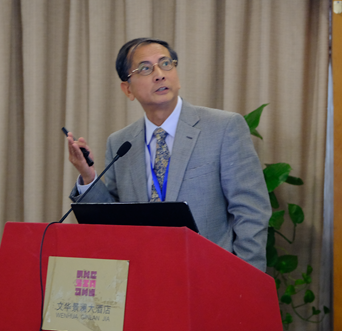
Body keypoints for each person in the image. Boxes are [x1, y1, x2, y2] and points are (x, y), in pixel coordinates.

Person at [66, 37, 270, 271]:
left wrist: (245, 278)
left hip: (208, 275)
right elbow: (113, 218)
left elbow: (251, 211)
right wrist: (88, 176)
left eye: (165, 64)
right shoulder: (121, 142)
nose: (160, 75)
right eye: (145, 68)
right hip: (144, 276)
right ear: (127, 89)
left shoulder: (223, 128)